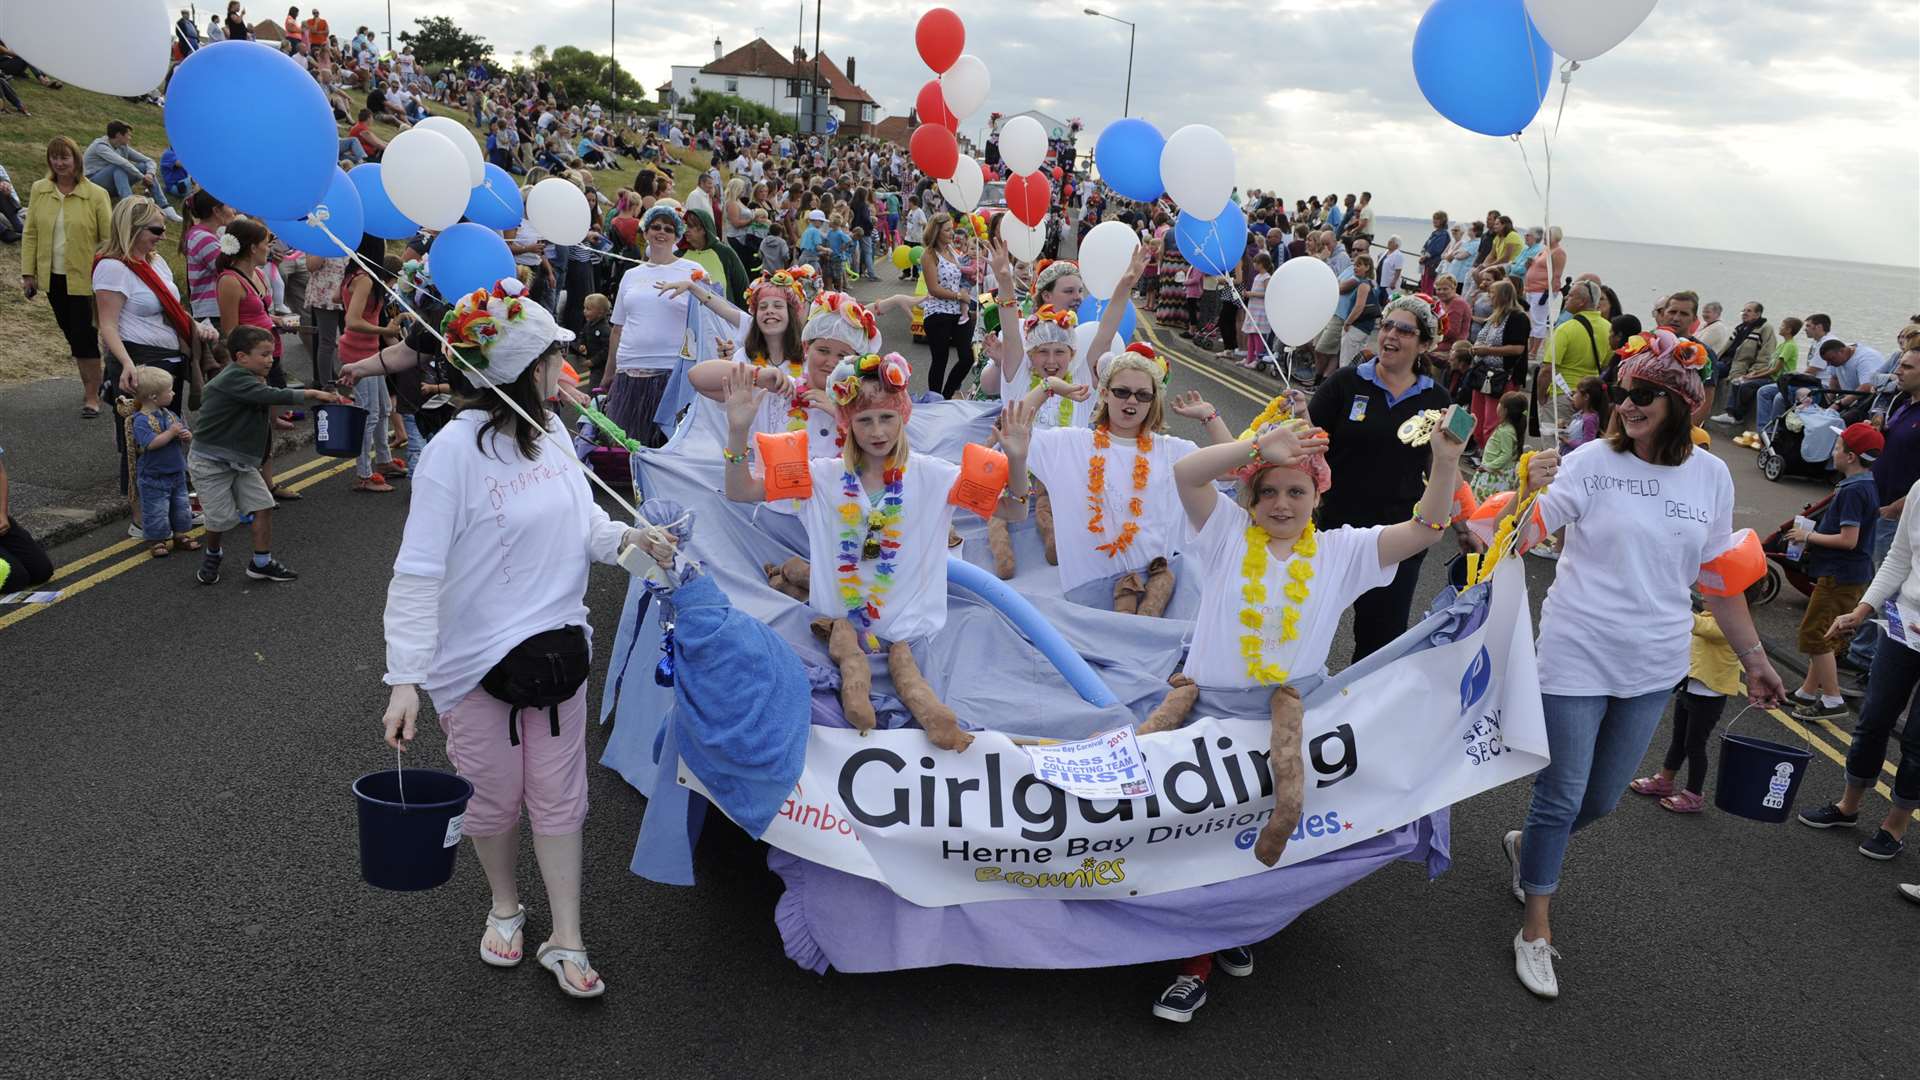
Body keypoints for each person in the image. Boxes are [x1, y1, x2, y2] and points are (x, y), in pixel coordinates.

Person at [1150, 395, 1468, 1023]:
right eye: (1268, 492)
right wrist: (1254, 449)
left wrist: (1447, 461)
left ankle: (1230, 931)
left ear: (1317, 497)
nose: (1282, 504)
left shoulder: (1342, 553)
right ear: (1252, 499)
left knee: (1256, 837)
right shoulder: (1225, 534)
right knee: (1199, 837)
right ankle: (1192, 960)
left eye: (1297, 491)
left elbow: (1426, 530)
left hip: (1289, 723)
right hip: (1210, 719)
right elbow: (1186, 474)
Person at [1504, 329, 1784, 1000]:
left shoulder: (1711, 475)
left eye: (1644, 394)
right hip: (1576, 649)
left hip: (1655, 659)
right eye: (1622, 391)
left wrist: (1754, 657)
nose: (1626, 403)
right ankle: (1535, 925)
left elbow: (1719, 579)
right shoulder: (1593, 460)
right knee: (1563, 794)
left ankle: (1533, 844)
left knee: (1599, 800)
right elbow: (1526, 534)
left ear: (1683, 403)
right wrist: (1524, 491)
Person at [381, 279, 641, 1000]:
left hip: (558, 654)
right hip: (472, 666)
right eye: (554, 357)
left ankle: (568, 935)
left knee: (561, 800)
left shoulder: (553, 432)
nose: (565, 366)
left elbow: (586, 526)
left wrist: (631, 541)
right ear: (527, 370)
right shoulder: (452, 455)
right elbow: (417, 571)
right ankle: (504, 906)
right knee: (492, 802)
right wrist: (404, 676)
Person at [721, 351, 1033, 751]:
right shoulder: (821, 476)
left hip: (912, 645)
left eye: (887, 417)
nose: (877, 430)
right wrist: (737, 431)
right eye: (864, 420)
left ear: (903, 416)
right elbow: (739, 491)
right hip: (833, 642)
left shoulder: (933, 475)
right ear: (847, 424)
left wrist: (1018, 460)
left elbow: (1015, 509)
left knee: (921, 745)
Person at [1303, 294, 1462, 661]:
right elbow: (1307, 444)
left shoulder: (1437, 398)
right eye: (1387, 325)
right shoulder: (1345, 383)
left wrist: (1468, 525)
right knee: (1307, 626)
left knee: (1379, 644)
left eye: (1405, 330)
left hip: (1401, 538)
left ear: (1424, 344)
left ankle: (1358, 716)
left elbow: (1444, 467)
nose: (1390, 334)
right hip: (1335, 530)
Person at [1801, 465, 1920, 867]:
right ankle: (1848, 806)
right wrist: (1862, 609)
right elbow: (1898, 559)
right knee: (1873, 718)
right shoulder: (1919, 490)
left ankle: (1894, 826)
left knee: (1918, 740)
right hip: (1903, 624)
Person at [191, 326, 349, 585]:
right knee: (221, 519)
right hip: (211, 461)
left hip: (241, 461)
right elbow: (271, 396)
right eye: (264, 354)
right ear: (241, 357)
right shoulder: (233, 378)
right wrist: (313, 393)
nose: (270, 359)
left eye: (271, 354)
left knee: (263, 506)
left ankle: (261, 563)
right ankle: (213, 552)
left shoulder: (252, 377)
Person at [95, 197, 211, 523]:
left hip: (169, 360)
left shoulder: (154, 261)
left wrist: (196, 327)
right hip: (139, 362)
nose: (163, 235)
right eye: (156, 229)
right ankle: (142, 518)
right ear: (131, 228)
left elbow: (172, 307)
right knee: (138, 443)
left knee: (170, 435)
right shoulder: (112, 267)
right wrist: (127, 363)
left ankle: (172, 510)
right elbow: (107, 324)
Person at [1783, 422, 1883, 722]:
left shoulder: (1853, 490)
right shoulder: (1865, 483)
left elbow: (1848, 540)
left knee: (1815, 634)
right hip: (1847, 574)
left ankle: (1832, 699)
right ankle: (1806, 691)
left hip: (1840, 575)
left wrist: (1806, 537)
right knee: (1825, 633)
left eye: (1839, 447)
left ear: (1851, 456)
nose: (1834, 451)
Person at [20, 136, 114, 418]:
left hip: (84, 278)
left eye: (65, 157)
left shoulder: (96, 194)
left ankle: (92, 396)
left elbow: (107, 237)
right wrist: (28, 272)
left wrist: (102, 271)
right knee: (71, 334)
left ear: (77, 160)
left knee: (84, 335)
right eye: (54, 157)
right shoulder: (40, 189)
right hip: (52, 277)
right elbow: (31, 232)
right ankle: (95, 383)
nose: (60, 163)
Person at [1842, 349, 1920, 671]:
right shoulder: (1903, 403)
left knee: (1888, 583)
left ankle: (1866, 658)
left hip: (1898, 512)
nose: (1897, 371)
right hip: (1880, 505)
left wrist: (1898, 506)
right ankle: (1866, 652)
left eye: (1907, 366)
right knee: (1876, 579)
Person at [604, 205, 704, 447]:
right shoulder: (631, 275)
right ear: (646, 232)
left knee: (667, 448)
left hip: (671, 373)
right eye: (656, 227)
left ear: (677, 236)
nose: (661, 232)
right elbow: (618, 328)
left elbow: (706, 321)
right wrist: (608, 374)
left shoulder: (693, 271)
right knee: (625, 448)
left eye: (668, 229)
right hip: (629, 372)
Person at [1629, 607, 1743, 813]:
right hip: (1689, 688)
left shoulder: (1731, 622)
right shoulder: (1711, 615)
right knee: (1679, 739)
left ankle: (1694, 794)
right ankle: (1664, 780)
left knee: (1695, 746)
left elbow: (1699, 626)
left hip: (1709, 697)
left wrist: (1670, 604)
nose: (1706, 593)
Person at [336, 233, 408, 492]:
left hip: (367, 349)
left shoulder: (354, 274)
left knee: (384, 407)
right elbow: (352, 320)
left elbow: (338, 299)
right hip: (358, 351)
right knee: (369, 413)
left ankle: (385, 460)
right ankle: (364, 474)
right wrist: (385, 331)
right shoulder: (364, 278)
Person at [127, 366, 200, 558]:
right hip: (154, 474)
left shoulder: (169, 414)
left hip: (176, 470)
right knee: (156, 508)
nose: (173, 393)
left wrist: (185, 435)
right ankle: (157, 539)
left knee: (180, 506)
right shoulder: (141, 420)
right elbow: (150, 443)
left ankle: (180, 534)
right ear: (153, 396)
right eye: (169, 390)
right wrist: (171, 433)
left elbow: (186, 433)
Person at [918, 214, 978, 401]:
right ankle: (935, 400)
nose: (953, 233)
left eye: (952, 228)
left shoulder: (952, 250)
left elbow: (963, 274)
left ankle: (945, 395)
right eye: (947, 230)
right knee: (940, 359)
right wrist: (959, 295)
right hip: (938, 313)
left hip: (958, 312)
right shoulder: (929, 255)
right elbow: (934, 289)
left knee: (967, 358)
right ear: (936, 232)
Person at [83, 121, 180, 220]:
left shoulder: (122, 147)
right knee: (118, 167)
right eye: (128, 135)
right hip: (94, 183)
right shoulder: (100, 146)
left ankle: (165, 206)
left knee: (143, 166)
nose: (130, 138)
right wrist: (143, 177)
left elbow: (149, 161)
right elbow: (123, 163)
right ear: (118, 135)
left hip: (113, 183)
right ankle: (130, 207)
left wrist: (150, 174)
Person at [1708, 302, 1778, 425]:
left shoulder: (1765, 328)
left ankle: (1731, 414)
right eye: (1744, 310)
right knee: (1707, 370)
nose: (1744, 313)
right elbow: (1726, 347)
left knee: (1736, 380)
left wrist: (1755, 371)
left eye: (1749, 311)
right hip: (1727, 362)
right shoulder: (1740, 327)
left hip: (1742, 366)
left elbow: (1766, 353)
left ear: (1758, 314)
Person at [1472, 391, 1528, 501]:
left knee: (1484, 501)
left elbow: (1506, 454)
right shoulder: (1509, 428)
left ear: (1505, 410)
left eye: (1499, 403)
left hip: (1494, 475)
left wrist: (1489, 467)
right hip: (1495, 471)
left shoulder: (1506, 431)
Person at [1522, 227, 1566, 359]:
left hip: (1542, 290)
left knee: (1538, 320)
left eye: (1548, 235)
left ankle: (1534, 351)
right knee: (1531, 320)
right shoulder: (1545, 250)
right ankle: (1530, 348)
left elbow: (1557, 274)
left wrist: (1548, 292)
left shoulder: (1558, 252)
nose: (1545, 237)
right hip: (1532, 288)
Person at [1561, 376, 1609, 455]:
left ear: (1586, 397)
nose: (1573, 396)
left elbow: (1587, 445)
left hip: (1576, 457)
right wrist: (1564, 428)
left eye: (1576, 393)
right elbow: (1578, 432)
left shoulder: (1589, 419)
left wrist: (1567, 441)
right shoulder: (1581, 414)